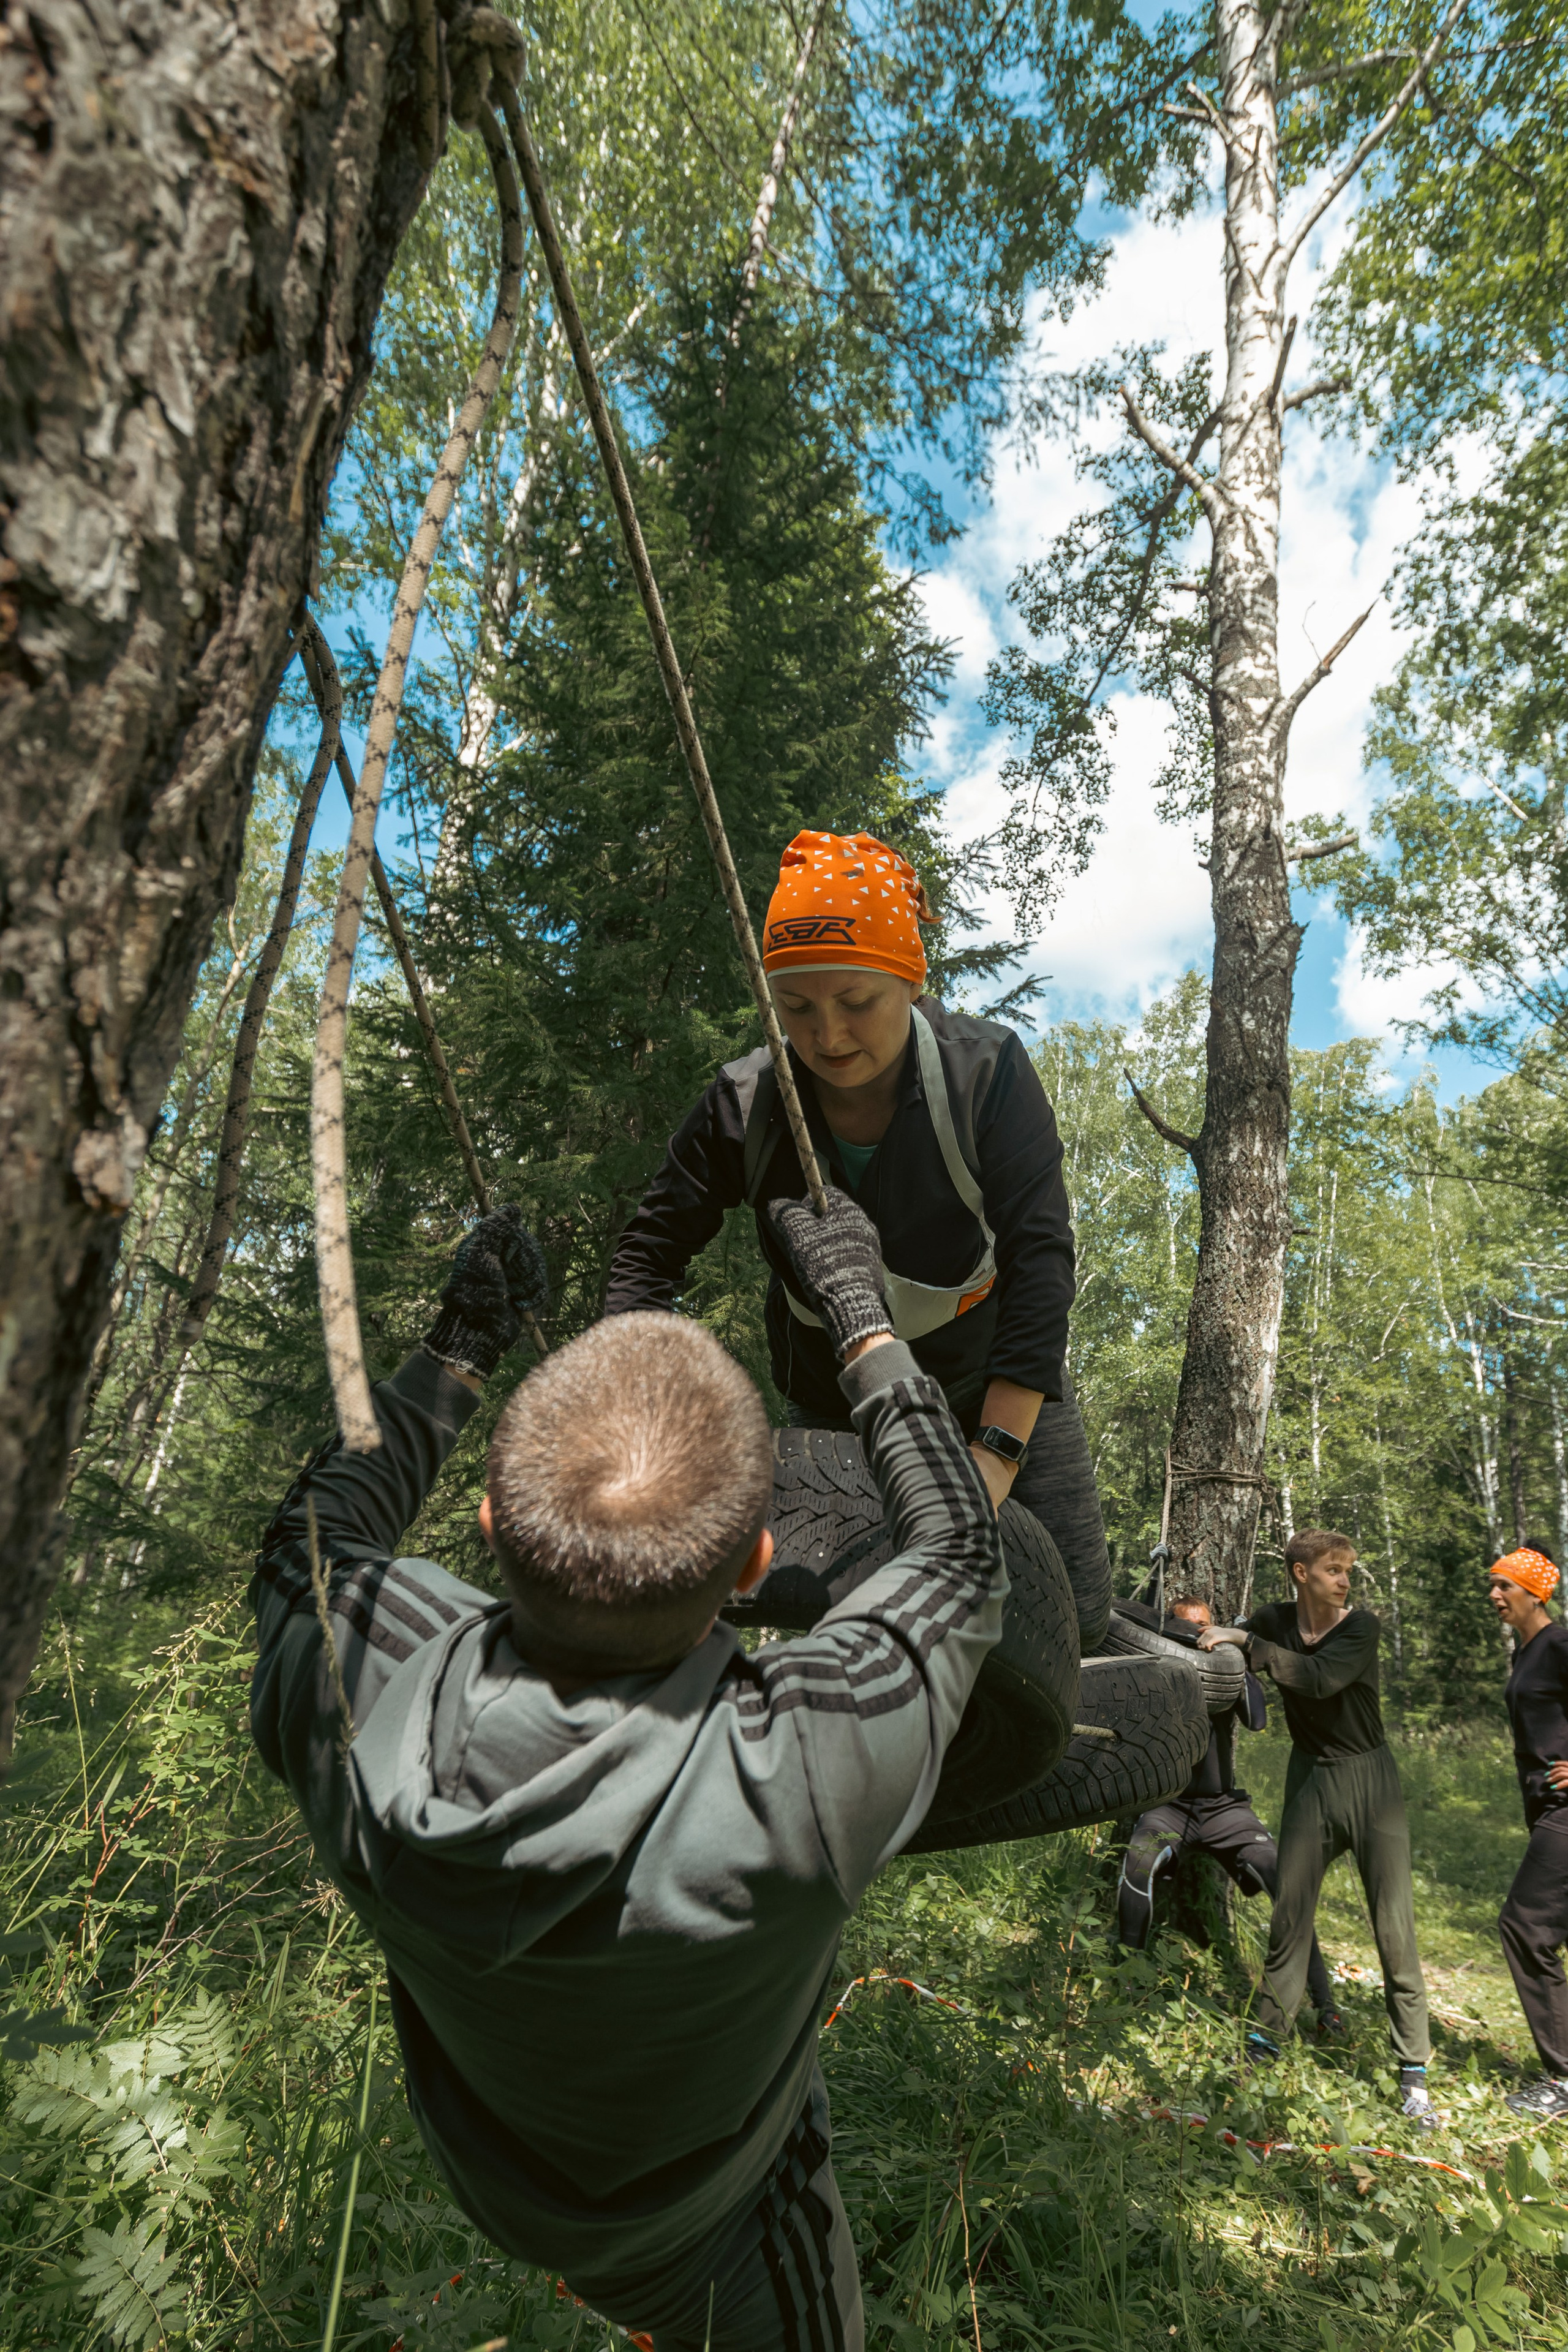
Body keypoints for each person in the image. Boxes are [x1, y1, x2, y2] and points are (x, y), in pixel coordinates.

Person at [250, 1193, 1005, 2351]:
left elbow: (316, 1531)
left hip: (501, 2183)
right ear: (760, 1561)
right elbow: (959, 1550)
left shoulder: (357, 1689)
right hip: (722, 2238)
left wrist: (460, 1345)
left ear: (493, 1524)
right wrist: (863, 1317)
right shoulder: (799, 1773)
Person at [603, 828, 1109, 1643]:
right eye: (796, 1008)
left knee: (1073, 1624)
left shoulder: (987, 1074)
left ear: (911, 984)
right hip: (837, 1407)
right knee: (841, 1625)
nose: (828, 1036)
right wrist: (621, 1413)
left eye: (857, 1002)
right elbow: (649, 1253)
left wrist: (997, 1456)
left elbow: (1041, 1261)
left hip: (999, 1389)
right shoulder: (746, 1104)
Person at [1198, 1529, 1434, 2124]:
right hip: (1311, 1782)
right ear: (1301, 1573)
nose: (1344, 1580)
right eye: (1333, 1570)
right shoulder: (1274, 1620)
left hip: (1370, 1781)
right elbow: (1230, 1639)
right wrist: (1217, 1636)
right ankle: (1265, 2042)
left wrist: (1247, 1643)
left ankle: (1413, 2073)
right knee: (1290, 1914)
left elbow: (1318, 1678)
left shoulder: (1361, 1628)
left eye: (1348, 1570)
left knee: (1393, 1925)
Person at [1117, 1596, 1341, 2032]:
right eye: (1188, 1628)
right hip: (1168, 1805)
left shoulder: (1226, 1663)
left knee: (1285, 1877)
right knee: (1136, 1865)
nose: (1198, 1634)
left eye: (1204, 1626)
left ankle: (1326, 2004)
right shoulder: (1153, 1670)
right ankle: (1124, 1986)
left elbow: (1256, 1720)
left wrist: (1232, 1660)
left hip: (1224, 1808)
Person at [1487, 1542, 1568, 2119]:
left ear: (1535, 1592)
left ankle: (1563, 2080)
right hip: (1546, 1811)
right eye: (1493, 1585)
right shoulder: (1529, 1653)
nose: (1494, 1595)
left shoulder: (1561, 1643)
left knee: (1525, 1927)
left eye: (1505, 1586)